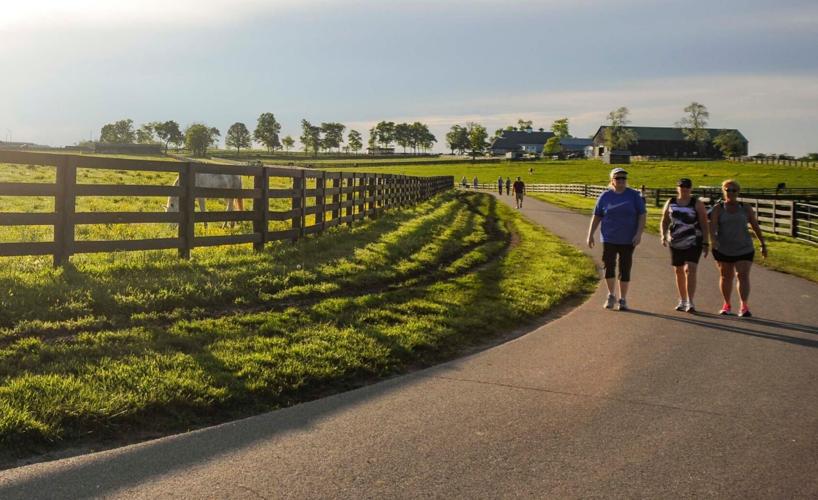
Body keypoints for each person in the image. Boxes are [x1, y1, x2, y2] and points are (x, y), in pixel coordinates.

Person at [586, 167, 647, 311]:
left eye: (623, 178)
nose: (621, 180)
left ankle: (623, 299)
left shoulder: (634, 195)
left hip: (628, 238)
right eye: (617, 178)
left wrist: (639, 233)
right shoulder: (605, 196)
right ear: (612, 180)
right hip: (609, 237)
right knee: (609, 265)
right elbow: (597, 215)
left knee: (625, 267)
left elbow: (642, 215)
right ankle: (611, 295)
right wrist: (590, 234)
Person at [709, 179, 767, 317]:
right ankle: (727, 304)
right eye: (727, 190)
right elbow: (712, 226)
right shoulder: (718, 208)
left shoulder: (745, 208)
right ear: (723, 191)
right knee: (726, 277)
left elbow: (755, 226)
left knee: (743, 275)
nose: (730, 192)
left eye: (733, 190)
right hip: (723, 248)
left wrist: (762, 244)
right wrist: (713, 240)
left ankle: (744, 306)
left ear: (738, 192)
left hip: (744, 248)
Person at [660, 178, 710, 313]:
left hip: (694, 240)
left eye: (687, 186)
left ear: (691, 188)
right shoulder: (671, 202)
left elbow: (704, 223)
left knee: (690, 269)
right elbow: (665, 220)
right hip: (675, 240)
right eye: (682, 186)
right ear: (677, 188)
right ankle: (682, 300)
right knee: (678, 270)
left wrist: (706, 241)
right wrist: (663, 235)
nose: (684, 189)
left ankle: (690, 301)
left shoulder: (696, 203)